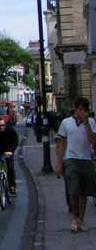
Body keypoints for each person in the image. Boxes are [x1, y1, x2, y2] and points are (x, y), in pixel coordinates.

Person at [55, 97, 96, 233]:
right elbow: (60, 144)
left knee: (84, 192)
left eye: (85, 110)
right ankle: (74, 217)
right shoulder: (66, 123)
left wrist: (87, 123)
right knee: (73, 190)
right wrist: (59, 163)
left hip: (86, 159)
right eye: (80, 109)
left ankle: (80, 220)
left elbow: (93, 141)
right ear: (76, 108)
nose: (82, 112)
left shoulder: (91, 122)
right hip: (70, 159)